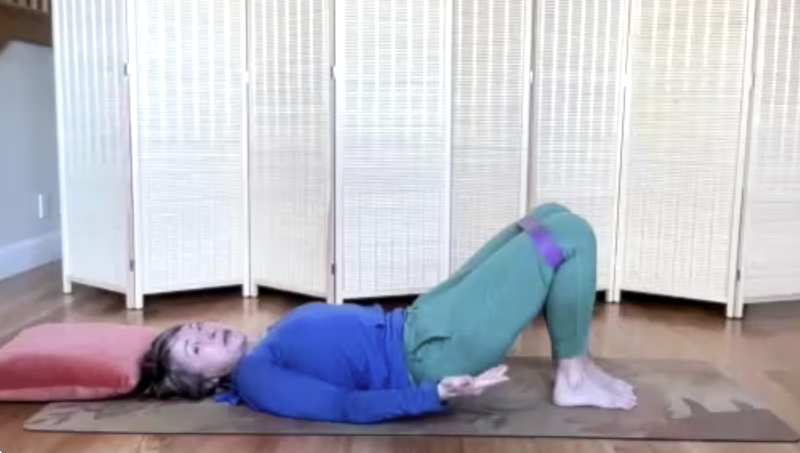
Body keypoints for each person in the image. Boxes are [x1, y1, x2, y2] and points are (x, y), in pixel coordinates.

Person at [135, 203, 637, 424]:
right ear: (202, 383)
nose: (206, 333)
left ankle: (580, 363)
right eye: (195, 348)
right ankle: (573, 375)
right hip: (430, 356)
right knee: (568, 237)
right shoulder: (260, 378)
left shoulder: (266, 343)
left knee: (547, 216)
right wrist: (432, 393)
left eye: (194, 328)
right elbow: (344, 407)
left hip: (420, 320)